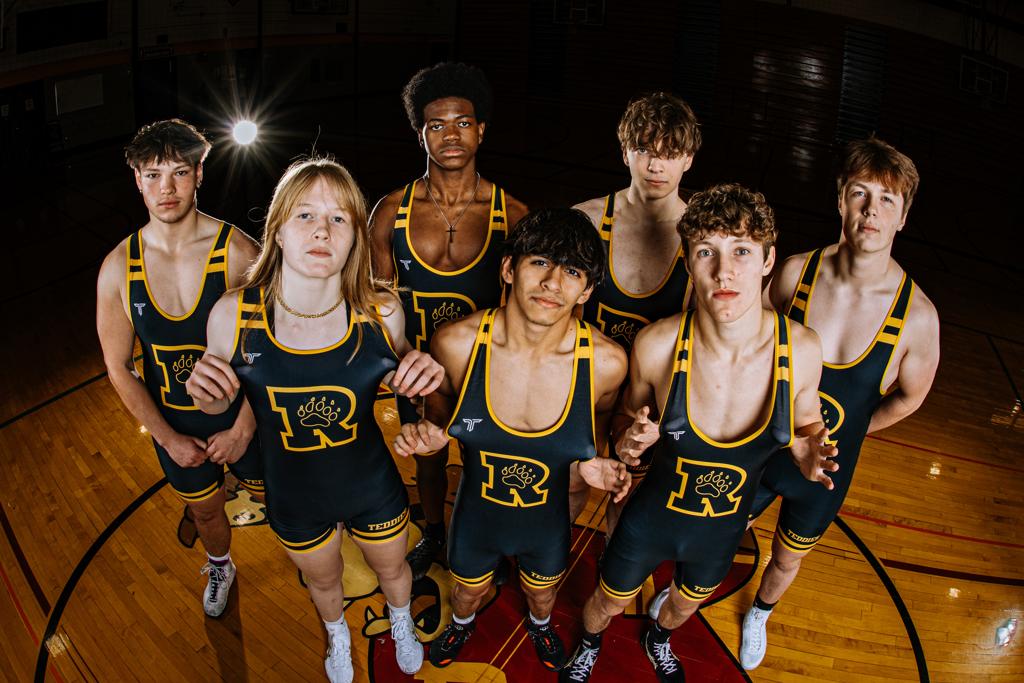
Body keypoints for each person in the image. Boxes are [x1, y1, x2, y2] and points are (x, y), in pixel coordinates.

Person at [561, 184, 839, 683]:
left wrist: (810, 450)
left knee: (681, 609)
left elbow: (806, 420)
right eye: (706, 252)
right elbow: (627, 419)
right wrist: (628, 442)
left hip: (722, 528)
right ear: (688, 263)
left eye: (741, 251)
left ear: (768, 260)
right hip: (650, 516)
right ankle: (588, 645)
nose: (724, 270)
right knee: (605, 602)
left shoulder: (801, 350)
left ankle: (658, 638)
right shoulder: (658, 344)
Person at [185, 158, 443, 682]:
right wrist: (206, 398)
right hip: (293, 491)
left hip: (370, 482)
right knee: (326, 585)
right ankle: (338, 638)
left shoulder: (381, 310)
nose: (322, 230)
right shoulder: (234, 315)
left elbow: (405, 385)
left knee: (393, 571)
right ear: (277, 229)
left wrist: (423, 379)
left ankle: (400, 622)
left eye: (339, 218)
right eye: (304, 215)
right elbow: (222, 407)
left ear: (355, 240)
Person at [393, 208, 630, 671]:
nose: (552, 282)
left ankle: (539, 626)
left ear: (585, 290)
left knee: (542, 594)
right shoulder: (457, 345)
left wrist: (599, 462)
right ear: (508, 268)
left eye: (572, 271)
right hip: (476, 515)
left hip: (547, 519)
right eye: (539, 261)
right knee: (466, 592)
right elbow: (438, 420)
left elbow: (596, 433)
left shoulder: (606, 363)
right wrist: (426, 435)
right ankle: (461, 624)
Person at [739, 137, 940, 670]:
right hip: (763, 449)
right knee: (723, 528)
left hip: (827, 472)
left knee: (786, 559)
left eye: (888, 201)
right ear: (840, 199)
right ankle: (693, 588)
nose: (871, 211)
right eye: (860, 194)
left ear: (903, 216)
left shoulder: (918, 318)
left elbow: (910, 398)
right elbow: (751, 352)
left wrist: (852, 433)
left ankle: (759, 613)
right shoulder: (794, 273)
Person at [96, 119, 263, 618]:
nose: (165, 188)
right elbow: (118, 367)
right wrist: (167, 437)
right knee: (206, 509)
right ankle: (220, 565)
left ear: (199, 175)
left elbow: (270, 355)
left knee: (284, 497)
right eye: (152, 175)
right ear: (137, 181)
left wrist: (241, 429)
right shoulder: (117, 267)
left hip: (247, 419)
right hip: (176, 425)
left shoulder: (236, 253)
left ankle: (311, 551)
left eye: (178, 173)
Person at [370, 62, 529, 581]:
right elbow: (377, 306)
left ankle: (485, 539)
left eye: (462, 122)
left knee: (488, 465)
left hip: (484, 371)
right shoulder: (390, 212)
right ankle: (435, 532)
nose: (451, 135)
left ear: (481, 129)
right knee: (429, 460)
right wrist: (399, 369)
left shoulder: (514, 214)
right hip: (415, 369)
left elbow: (527, 314)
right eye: (436, 125)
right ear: (420, 134)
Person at [573, 92, 700, 528]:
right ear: (625, 151)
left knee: (628, 498)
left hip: (651, 399)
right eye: (644, 150)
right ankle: (546, 568)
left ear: (689, 160)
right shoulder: (588, 221)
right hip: (587, 382)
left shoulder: (703, 240)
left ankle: (611, 572)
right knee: (568, 482)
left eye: (670, 153)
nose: (655, 166)